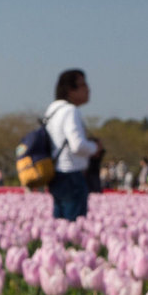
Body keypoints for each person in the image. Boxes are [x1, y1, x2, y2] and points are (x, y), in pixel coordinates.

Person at [38, 70, 92, 220]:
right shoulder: (70, 110)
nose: (88, 89)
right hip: (71, 175)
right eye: (83, 84)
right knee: (73, 224)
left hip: (56, 174)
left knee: (60, 222)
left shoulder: (53, 110)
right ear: (70, 89)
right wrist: (94, 147)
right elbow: (77, 145)